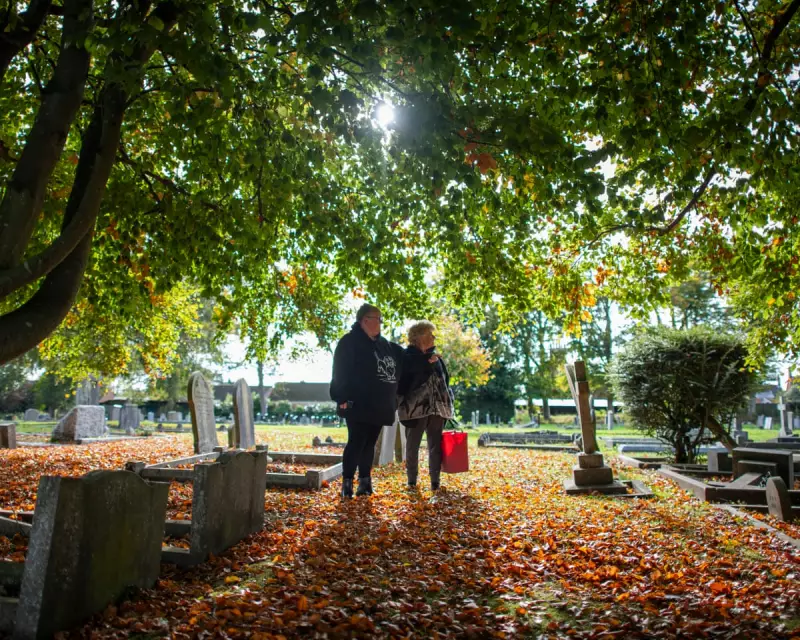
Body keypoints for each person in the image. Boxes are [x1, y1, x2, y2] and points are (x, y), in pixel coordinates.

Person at [330, 303, 403, 498]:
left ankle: (365, 482)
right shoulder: (349, 342)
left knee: (370, 443)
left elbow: (404, 359)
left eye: (380, 319)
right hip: (357, 402)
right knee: (356, 441)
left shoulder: (385, 345)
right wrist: (341, 396)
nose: (380, 323)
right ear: (365, 320)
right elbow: (340, 370)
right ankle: (347, 483)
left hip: (379, 404)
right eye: (377, 319)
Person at [396, 320, 454, 492]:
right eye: (430, 334)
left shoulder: (435, 357)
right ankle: (412, 481)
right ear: (420, 336)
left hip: (437, 409)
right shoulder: (407, 357)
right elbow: (406, 383)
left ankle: (435, 482)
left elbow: (445, 382)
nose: (434, 337)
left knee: (435, 446)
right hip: (414, 410)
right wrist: (427, 364)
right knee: (412, 446)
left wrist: (448, 403)